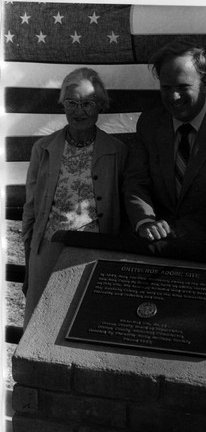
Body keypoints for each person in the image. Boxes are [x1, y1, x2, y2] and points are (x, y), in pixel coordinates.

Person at [22, 67, 128, 328]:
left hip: (94, 253)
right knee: (41, 326)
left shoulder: (118, 151)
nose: (78, 111)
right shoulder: (43, 149)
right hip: (48, 249)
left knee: (86, 324)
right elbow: (31, 208)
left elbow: (124, 210)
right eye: (71, 102)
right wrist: (29, 257)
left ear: (100, 107)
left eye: (87, 103)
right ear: (63, 105)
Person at [123, 40, 206, 243]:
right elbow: (136, 183)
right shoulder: (148, 123)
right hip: (154, 246)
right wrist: (145, 222)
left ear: (205, 82)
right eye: (166, 87)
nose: (174, 96)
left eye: (183, 86)